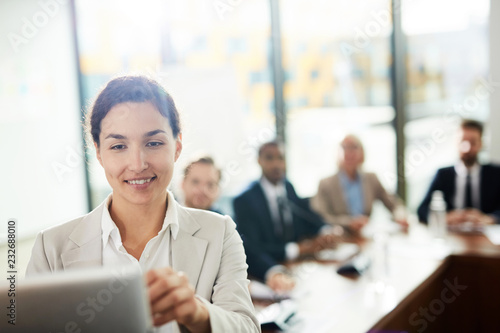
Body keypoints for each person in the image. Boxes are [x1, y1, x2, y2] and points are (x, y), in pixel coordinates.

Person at [26, 76, 260, 333]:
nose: (137, 164)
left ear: (177, 146)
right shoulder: (51, 247)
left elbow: (246, 327)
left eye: (154, 143)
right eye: (118, 146)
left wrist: (198, 313)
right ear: (99, 153)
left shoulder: (220, 233)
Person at [233, 141, 335, 292]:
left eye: (280, 158)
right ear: (259, 161)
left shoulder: (287, 186)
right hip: (269, 271)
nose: (276, 164)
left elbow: (306, 215)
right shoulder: (245, 200)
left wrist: (325, 230)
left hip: (297, 268)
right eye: (269, 158)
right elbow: (252, 247)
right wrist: (296, 250)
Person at [311, 134, 407, 234]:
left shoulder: (371, 179)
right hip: (340, 237)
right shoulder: (326, 183)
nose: (349, 152)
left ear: (362, 152)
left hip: (366, 236)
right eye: (344, 148)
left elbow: (394, 204)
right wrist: (349, 222)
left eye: (353, 147)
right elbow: (321, 216)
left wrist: (400, 216)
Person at [417, 119, 500, 225]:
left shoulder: (495, 174)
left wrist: (489, 219)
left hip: (485, 236)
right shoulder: (443, 175)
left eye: (473, 142)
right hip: (452, 236)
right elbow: (422, 210)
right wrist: (444, 217)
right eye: (463, 142)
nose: (467, 148)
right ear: (456, 143)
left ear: (481, 144)